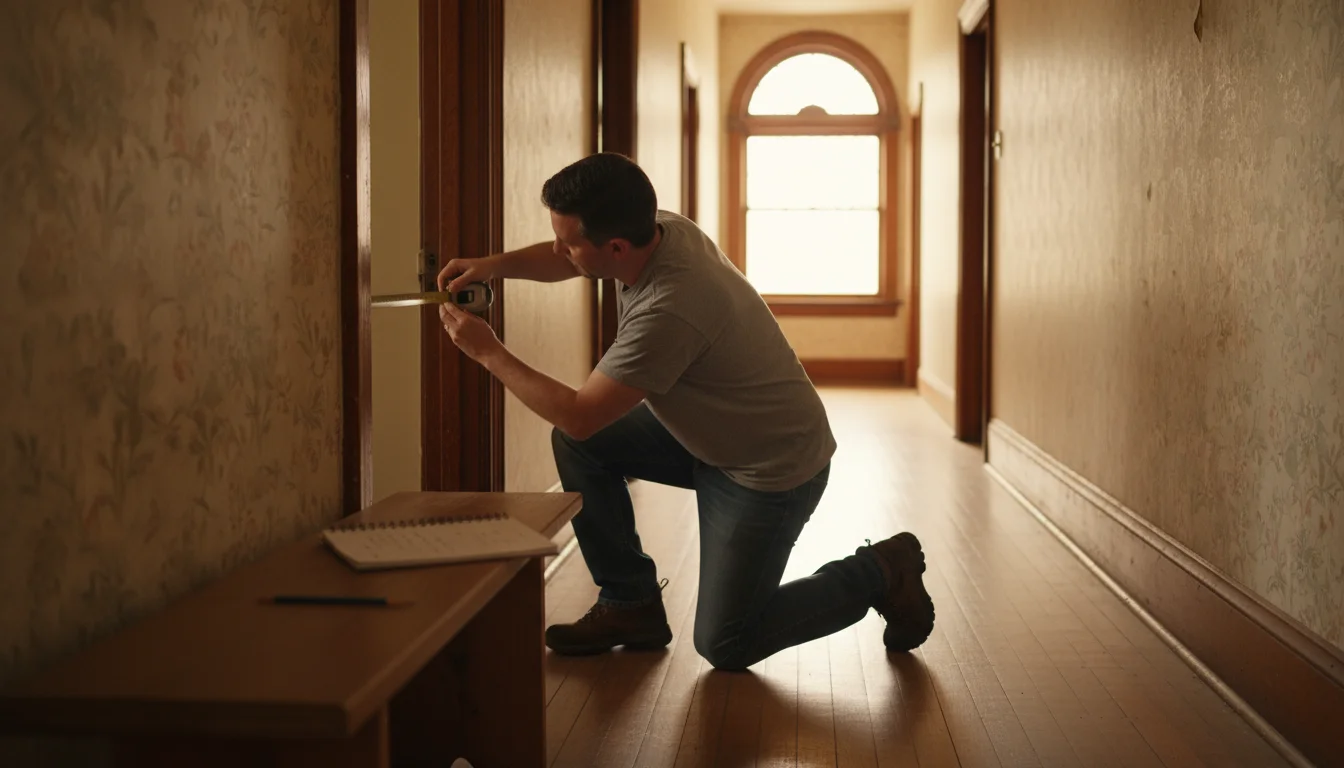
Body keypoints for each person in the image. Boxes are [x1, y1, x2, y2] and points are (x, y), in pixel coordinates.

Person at [435, 152, 934, 671]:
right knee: (581, 446)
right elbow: (570, 263)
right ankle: (630, 604)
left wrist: (487, 351)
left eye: (568, 240)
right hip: (709, 433)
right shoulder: (658, 228)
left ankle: (881, 570)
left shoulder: (669, 308)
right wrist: (495, 267)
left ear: (615, 248)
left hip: (767, 470)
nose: (559, 249)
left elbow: (580, 413)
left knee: (727, 642)